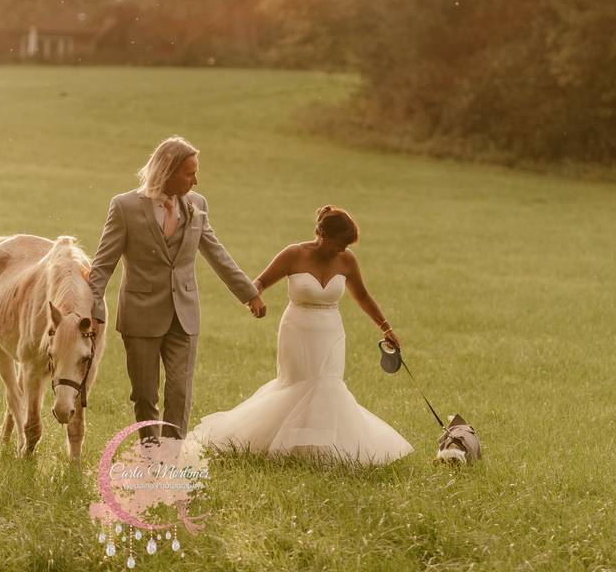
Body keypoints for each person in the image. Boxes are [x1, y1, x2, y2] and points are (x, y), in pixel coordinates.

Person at [190, 205, 413, 465]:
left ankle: (322, 450)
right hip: (297, 328)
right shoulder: (294, 254)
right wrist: (254, 299)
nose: (343, 249)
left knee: (328, 386)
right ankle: (285, 444)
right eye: (340, 243)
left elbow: (362, 295)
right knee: (296, 387)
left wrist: (385, 327)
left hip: (331, 331)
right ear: (323, 234)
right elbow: (260, 282)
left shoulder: (347, 260)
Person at [88, 136, 266, 442]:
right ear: (167, 171)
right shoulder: (125, 207)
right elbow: (103, 264)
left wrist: (248, 293)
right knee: (144, 394)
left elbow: (215, 252)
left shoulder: (198, 205)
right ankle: (149, 450)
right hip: (140, 315)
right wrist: (93, 310)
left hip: (184, 313)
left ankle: (172, 454)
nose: (196, 180)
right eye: (189, 173)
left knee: (180, 391)